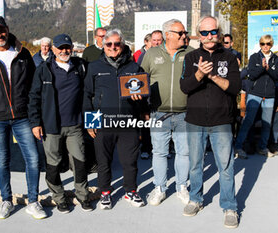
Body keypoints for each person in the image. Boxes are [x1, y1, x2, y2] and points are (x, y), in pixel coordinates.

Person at [0, 15, 46, 219]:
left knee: (33, 159)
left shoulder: (23, 55)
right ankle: (6, 200)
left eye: (1, 30)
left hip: (23, 117)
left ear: (7, 28)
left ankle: (33, 201)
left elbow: (34, 89)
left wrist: (36, 119)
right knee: (2, 161)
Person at [180, 15, 241, 228]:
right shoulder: (190, 57)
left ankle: (229, 206)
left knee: (225, 166)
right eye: (204, 32)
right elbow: (185, 87)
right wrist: (198, 74)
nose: (209, 36)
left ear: (219, 32)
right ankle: (196, 199)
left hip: (222, 120)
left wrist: (213, 75)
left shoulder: (230, 57)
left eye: (213, 31)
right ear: (198, 34)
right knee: (196, 165)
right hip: (195, 120)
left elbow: (234, 88)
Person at [28, 34, 92, 213]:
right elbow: (34, 97)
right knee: (53, 165)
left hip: (75, 125)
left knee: (80, 162)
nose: (64, 51)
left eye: (67, 47)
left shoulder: (81, 67)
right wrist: (35, 123)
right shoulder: (44, 69)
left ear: (72, 48)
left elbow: (90, 94)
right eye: (61, 48)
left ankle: (83, 195)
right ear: (53, 49)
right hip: (51, 126)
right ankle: (59, 197)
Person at [83, 29, 145, 210]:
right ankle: (105, 193)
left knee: (130, 161)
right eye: (109, 44)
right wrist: (90, 123)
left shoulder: (134, 67)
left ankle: (131, 191)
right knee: (103, 161)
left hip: (128, 122)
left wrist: (140, 100)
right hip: (103, 122)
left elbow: (143, 96)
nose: (113, 47)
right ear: (103, 45)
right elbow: (87, 95)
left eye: (117, 44)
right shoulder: (94, 67)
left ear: (123, 45)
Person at [141, 19, 193, 206]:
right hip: (158, 113)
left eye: (185, 32)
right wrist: (143, 107)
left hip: (184, 114)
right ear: (168, 34)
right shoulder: (152, 53)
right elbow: (140, 78)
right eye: (181, 33)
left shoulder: (190, 53)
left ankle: (181, 187)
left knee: (184, 153)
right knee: (159, 153)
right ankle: (160, 188)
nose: (184, 36)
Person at [235, 35, 278, 159]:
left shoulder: (276, 59)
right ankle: (238, 146)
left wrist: (268, 69)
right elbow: (252, 75)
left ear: (271, 44)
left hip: (270, 95)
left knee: (267, 123)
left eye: (268, 44)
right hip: (255, 94)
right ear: (260, 44)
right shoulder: (254, 57)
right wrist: (262, 68)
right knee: (248, 121)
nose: (265, 46)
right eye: (262, 44)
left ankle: (262, 147)